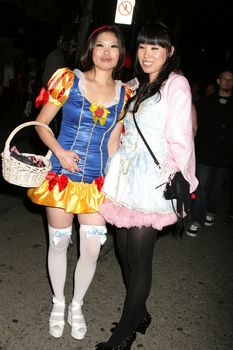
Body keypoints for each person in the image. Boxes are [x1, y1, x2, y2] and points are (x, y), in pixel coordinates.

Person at [97, 22, 198, 350]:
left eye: (156, 47)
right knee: (124, 252)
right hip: (125, 178)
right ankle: (138, 314)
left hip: (152, 183)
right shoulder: (136, 85)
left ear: (168, 52)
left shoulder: (176, 85)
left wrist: (182, 182)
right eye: (142, 46)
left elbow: (182, 138)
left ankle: (123, 334)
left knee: (139, 259)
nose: (147, 54)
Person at [27, 25, 129, 340]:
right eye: (101, 45)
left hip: (96, 180)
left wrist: (118, 181)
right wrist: (59, 150)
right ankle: (59, 303)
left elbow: (113, 143)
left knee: (92, 248)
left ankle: (77, 304)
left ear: (120, 54)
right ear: (91, 49)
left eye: (113, 46)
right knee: (58, 243)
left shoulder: (125, 93)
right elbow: (41, 123)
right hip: (61, 174)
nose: (107, 52)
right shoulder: (68, 80)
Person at [186, 70, 233, 237]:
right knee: (201, 187)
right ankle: (196, 220)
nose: (227, 82)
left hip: (225, 156)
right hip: (205, 154)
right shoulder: (205, 103)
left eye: (230, 80)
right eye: (225, 79)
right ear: (219, 81)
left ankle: (211, 210)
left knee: (216, 188)